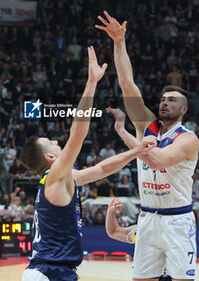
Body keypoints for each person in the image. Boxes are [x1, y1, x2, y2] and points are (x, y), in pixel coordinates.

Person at [20, 46, 156, 281]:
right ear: (50, 159)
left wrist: (135, 151)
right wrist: (91, 82)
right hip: (49, 272)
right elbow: (77, 135)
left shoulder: (63, 179)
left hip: (54, 271)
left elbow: (102, 169)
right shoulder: (55, 177)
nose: (55, 140)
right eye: (50, 143)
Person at [96, 12, 199, 281]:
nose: (165, 102)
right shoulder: (146, 126)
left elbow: (157, 160)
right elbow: (127, 84)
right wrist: (119, 42)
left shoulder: (188, 139)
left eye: (173, 100)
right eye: (164, 99)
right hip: (147, 218)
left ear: (184, 109)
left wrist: (124, 133)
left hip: (177, 221)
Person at [106, 198, 171, 281]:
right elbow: (113, 231)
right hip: (146, 275)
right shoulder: (138, 231)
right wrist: (111, 211)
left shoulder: (173, 229)